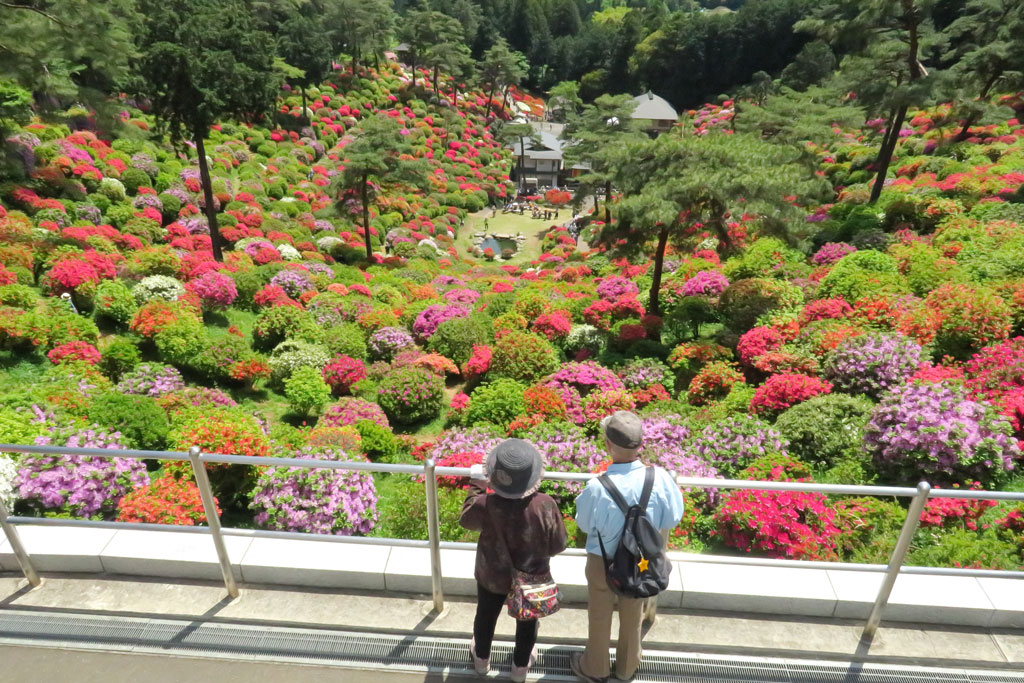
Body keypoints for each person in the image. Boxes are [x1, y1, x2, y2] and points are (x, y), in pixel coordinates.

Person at [570, 412, 684, 683]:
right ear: (640, 444)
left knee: (599, 616)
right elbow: (672, 518)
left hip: (602, 561)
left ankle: (595, 668)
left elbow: (584, 524)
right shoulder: (659, 478)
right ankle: (626, 668)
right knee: (633, 615)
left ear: (608, 445)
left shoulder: (596, 486)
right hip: (640, 561)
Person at [461, 439, 568, 683]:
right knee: (528, 620)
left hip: (491, 575)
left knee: (486, 615)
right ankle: (520, 668)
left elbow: (466, 519)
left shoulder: (486, 504)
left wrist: (477, 484)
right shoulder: (545, 504)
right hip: (532, 577)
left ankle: (481, 660)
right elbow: (558, 544)